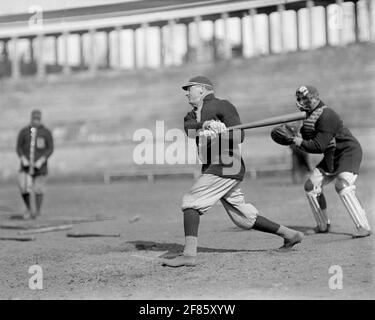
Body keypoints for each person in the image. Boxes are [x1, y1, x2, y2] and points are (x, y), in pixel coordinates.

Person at [161, 76, 304, 267]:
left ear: (203, 89)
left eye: (190, 89)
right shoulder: (191, 115)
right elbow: (189, 130)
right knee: (243, 217)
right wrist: (205, 126)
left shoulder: (223, 106)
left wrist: (225, 132)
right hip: (215, 166)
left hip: (227, 164)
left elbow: (240, 136)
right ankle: (291, 234)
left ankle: (188, 255)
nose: (187, 93)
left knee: (191, 202)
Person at [291, 85, 371, 238]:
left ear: (316, 97)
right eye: (301, 99)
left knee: (343, 186)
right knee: (310, 186)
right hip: (332, 154)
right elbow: (313, 143)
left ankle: (364, 227)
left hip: (348, 152)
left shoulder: (326, 115)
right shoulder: (309, 116)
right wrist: (293, 135)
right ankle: (322, 225)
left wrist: (298, 141)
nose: (304, 102)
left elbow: (318, 146)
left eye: (307, 99)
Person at [16, 109, 54, 219]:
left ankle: (37, 212)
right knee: (24, 188)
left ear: (40, 119)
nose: (36, 121)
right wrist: (22, 158)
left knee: (39, 189)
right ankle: (28, 209)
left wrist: (42, 159)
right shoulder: (24, 132)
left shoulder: (46, 132)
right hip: (26, 167)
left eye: (38, 119)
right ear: (31, 118)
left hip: (40, 167)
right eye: (34, 119)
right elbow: (19, 147)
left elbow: (50, 148)